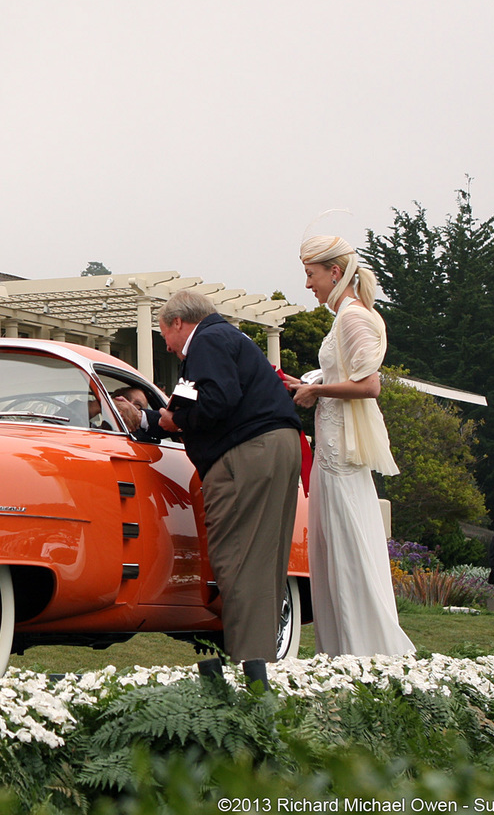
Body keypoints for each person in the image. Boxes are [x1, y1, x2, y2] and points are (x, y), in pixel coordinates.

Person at [143, 289, 302, 688]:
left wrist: (176, 421)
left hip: (246, 456)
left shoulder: (208, 340)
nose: (168, 346)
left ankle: (250, 673)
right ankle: (261, 665)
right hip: (277, 446)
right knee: (264, 563)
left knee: (237, 562)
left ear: (180, 322)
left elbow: (216, 401)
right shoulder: (231, 338)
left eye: (165, 334)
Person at [285, 234, 415, 658]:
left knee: (347, 550)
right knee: (333, 550)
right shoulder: (346, 317)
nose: (308, 284)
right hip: (331, 450)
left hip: (340, 454)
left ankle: (362, 651)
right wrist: (311, 383)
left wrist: (316, 393)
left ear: (335, 272)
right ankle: (342, 650)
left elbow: (369, 385)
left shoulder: (352, 318)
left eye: (311, 274)